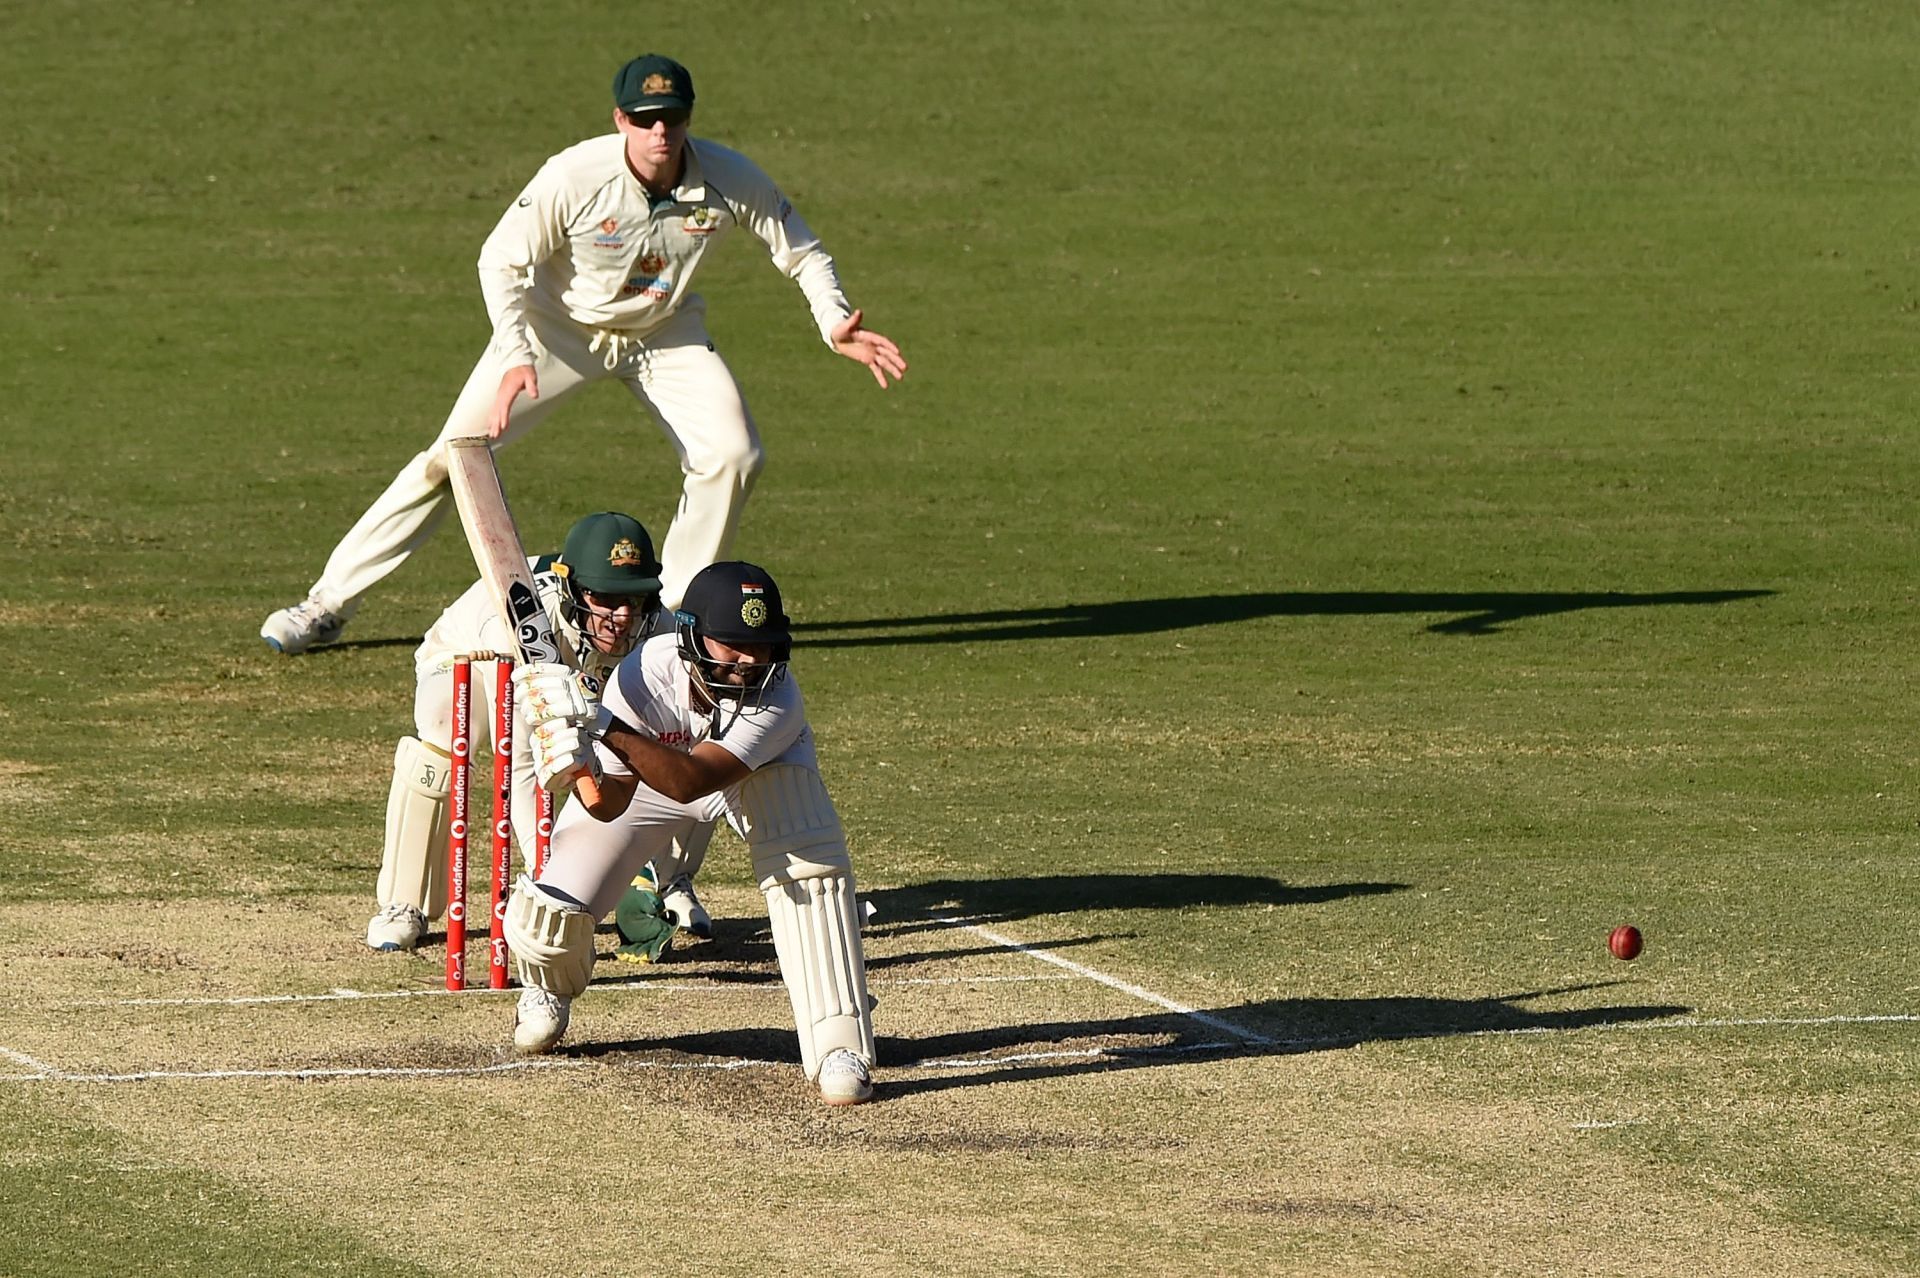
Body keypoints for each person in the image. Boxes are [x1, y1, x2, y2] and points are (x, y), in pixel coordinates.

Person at [261, 52, 907, 656]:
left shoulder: (729, 177)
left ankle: (666, 619)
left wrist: (832, 321)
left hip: (664, 331)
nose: (661, 133)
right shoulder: (576, 175)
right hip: (556, 331)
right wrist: (516, 353)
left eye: (674, 119)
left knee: (735, 455)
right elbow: (501, 259)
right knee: (451, 460)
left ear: (689, 118)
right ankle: (326, 604)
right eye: (647, 120)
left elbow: (800, 248)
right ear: (621, 119)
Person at [501, 561, 878, 1106]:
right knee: (549, 914)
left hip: (749, 776)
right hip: (652, 777)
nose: (751, 661)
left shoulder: (778, 699)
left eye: (764, 645)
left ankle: (839, 1044)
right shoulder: (644, 675)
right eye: (732, 645)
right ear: (692, 636)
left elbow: (693, 781)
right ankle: (547, 989)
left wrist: (604, 724)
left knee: (805, 844)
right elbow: (608, 805)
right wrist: (574, 757)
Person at [366, 511, 712, 953]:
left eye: (634, 598)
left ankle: (667, 882)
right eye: (605, 598)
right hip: (473, 659)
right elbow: (523, 768)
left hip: (584, 682)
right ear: (573, 589)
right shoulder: (521, 625)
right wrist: (558, 886)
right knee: (444, 733)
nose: (622, 616)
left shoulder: (658, 628)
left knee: (684, 743)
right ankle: (404, 902)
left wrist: (631, 871)